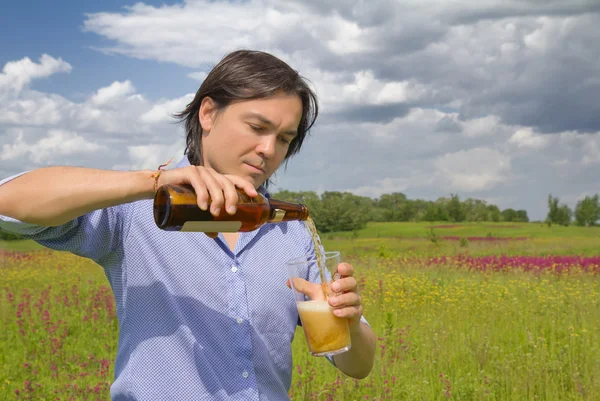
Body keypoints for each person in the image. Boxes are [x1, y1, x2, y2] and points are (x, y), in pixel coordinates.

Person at [0, 50, 376, 400]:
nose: (268, 149)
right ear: (208, 113)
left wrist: (351, 323)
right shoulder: (140, 209)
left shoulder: (290, 230)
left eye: (284, 139)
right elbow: (10, 203)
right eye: (257, 127)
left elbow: (356, 365)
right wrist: (151, 182)